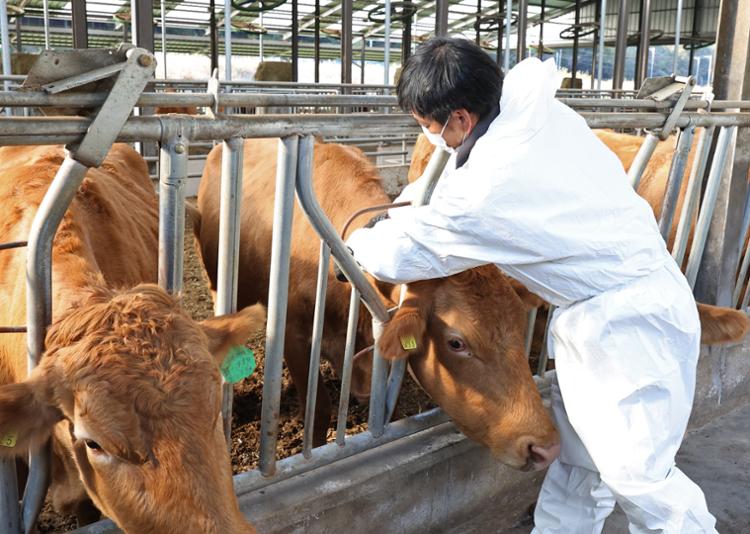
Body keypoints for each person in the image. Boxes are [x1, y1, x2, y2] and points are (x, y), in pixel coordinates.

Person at [345, 37, 717, 533]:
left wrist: (355, 242)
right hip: (598, 315)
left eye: (429, 127)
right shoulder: (534, 115)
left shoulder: (492, 187)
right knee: (581, 460)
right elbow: (442, 195)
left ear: (459, 119)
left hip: (630, 324)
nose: (430, 138)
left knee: (638, 476)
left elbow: (404, 253)